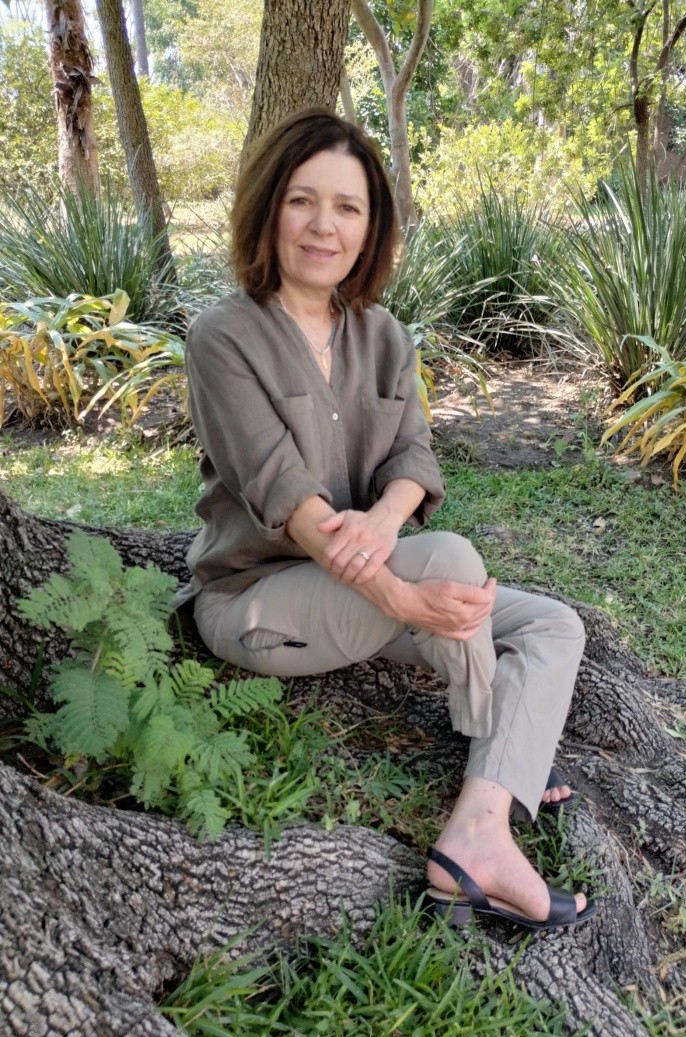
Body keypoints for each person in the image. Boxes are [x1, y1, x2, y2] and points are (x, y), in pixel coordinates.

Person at [175, 107, 596, 932]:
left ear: (371, 229)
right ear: (269, 208)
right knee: (450, 565)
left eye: (348, 207)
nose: (323, 226)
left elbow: (413, 456)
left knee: (554, 626)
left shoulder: (384, 336)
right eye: (302, 200)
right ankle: (497, 747)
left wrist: (385, 522)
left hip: (364, 589)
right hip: (259, 604)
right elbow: (290, 500)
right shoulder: (223, 338)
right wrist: (408, 601)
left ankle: (479, 824)